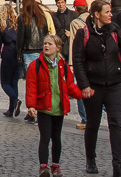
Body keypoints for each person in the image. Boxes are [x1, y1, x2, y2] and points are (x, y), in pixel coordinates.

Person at [73, 0, 121, 177]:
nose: (111, 14)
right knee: (93, 124)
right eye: (107, 12)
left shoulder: (114, 30)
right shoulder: (84, 34)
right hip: (94, 86)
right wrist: (84, 85)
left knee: (116, 124)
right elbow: (78, 62)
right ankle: (91, 160)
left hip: (115, 84)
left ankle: (118, 166)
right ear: (96, 14)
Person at [27, 35, 81, 177]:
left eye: (49, 44)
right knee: (45, 137)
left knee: (56, 137)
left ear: (57, 48)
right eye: (45, 43)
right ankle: (43, 166)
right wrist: (31, 105)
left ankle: (55, 165)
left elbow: (69, 85)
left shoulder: (62, 65)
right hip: (44, 107)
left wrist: (82, 95)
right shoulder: (36, 65)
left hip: (59, 108)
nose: (46, 46)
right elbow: (31, 86)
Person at [0, 3, 22, 117]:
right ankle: (11, 110)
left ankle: (15, 100)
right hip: (18, 55)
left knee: (5, 83)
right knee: (14, 82)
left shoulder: (2, 25)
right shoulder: (18, 24)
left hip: (7, 54)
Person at [68, 0, 90, 130]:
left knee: (81, 88)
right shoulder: (93, 19)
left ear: (76, 9)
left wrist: (71, 64)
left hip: (80, 59)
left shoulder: (75, 22)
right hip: (92, 59)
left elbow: (73, 45)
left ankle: (85, 118)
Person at [51, 0, 77, 65]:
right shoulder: (54, 15)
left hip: (69, 42)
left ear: (65, 3)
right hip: (59, 43)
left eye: (62, 2)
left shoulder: (73, 14)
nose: (60, 4)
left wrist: (71, 33)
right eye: (59, 3)